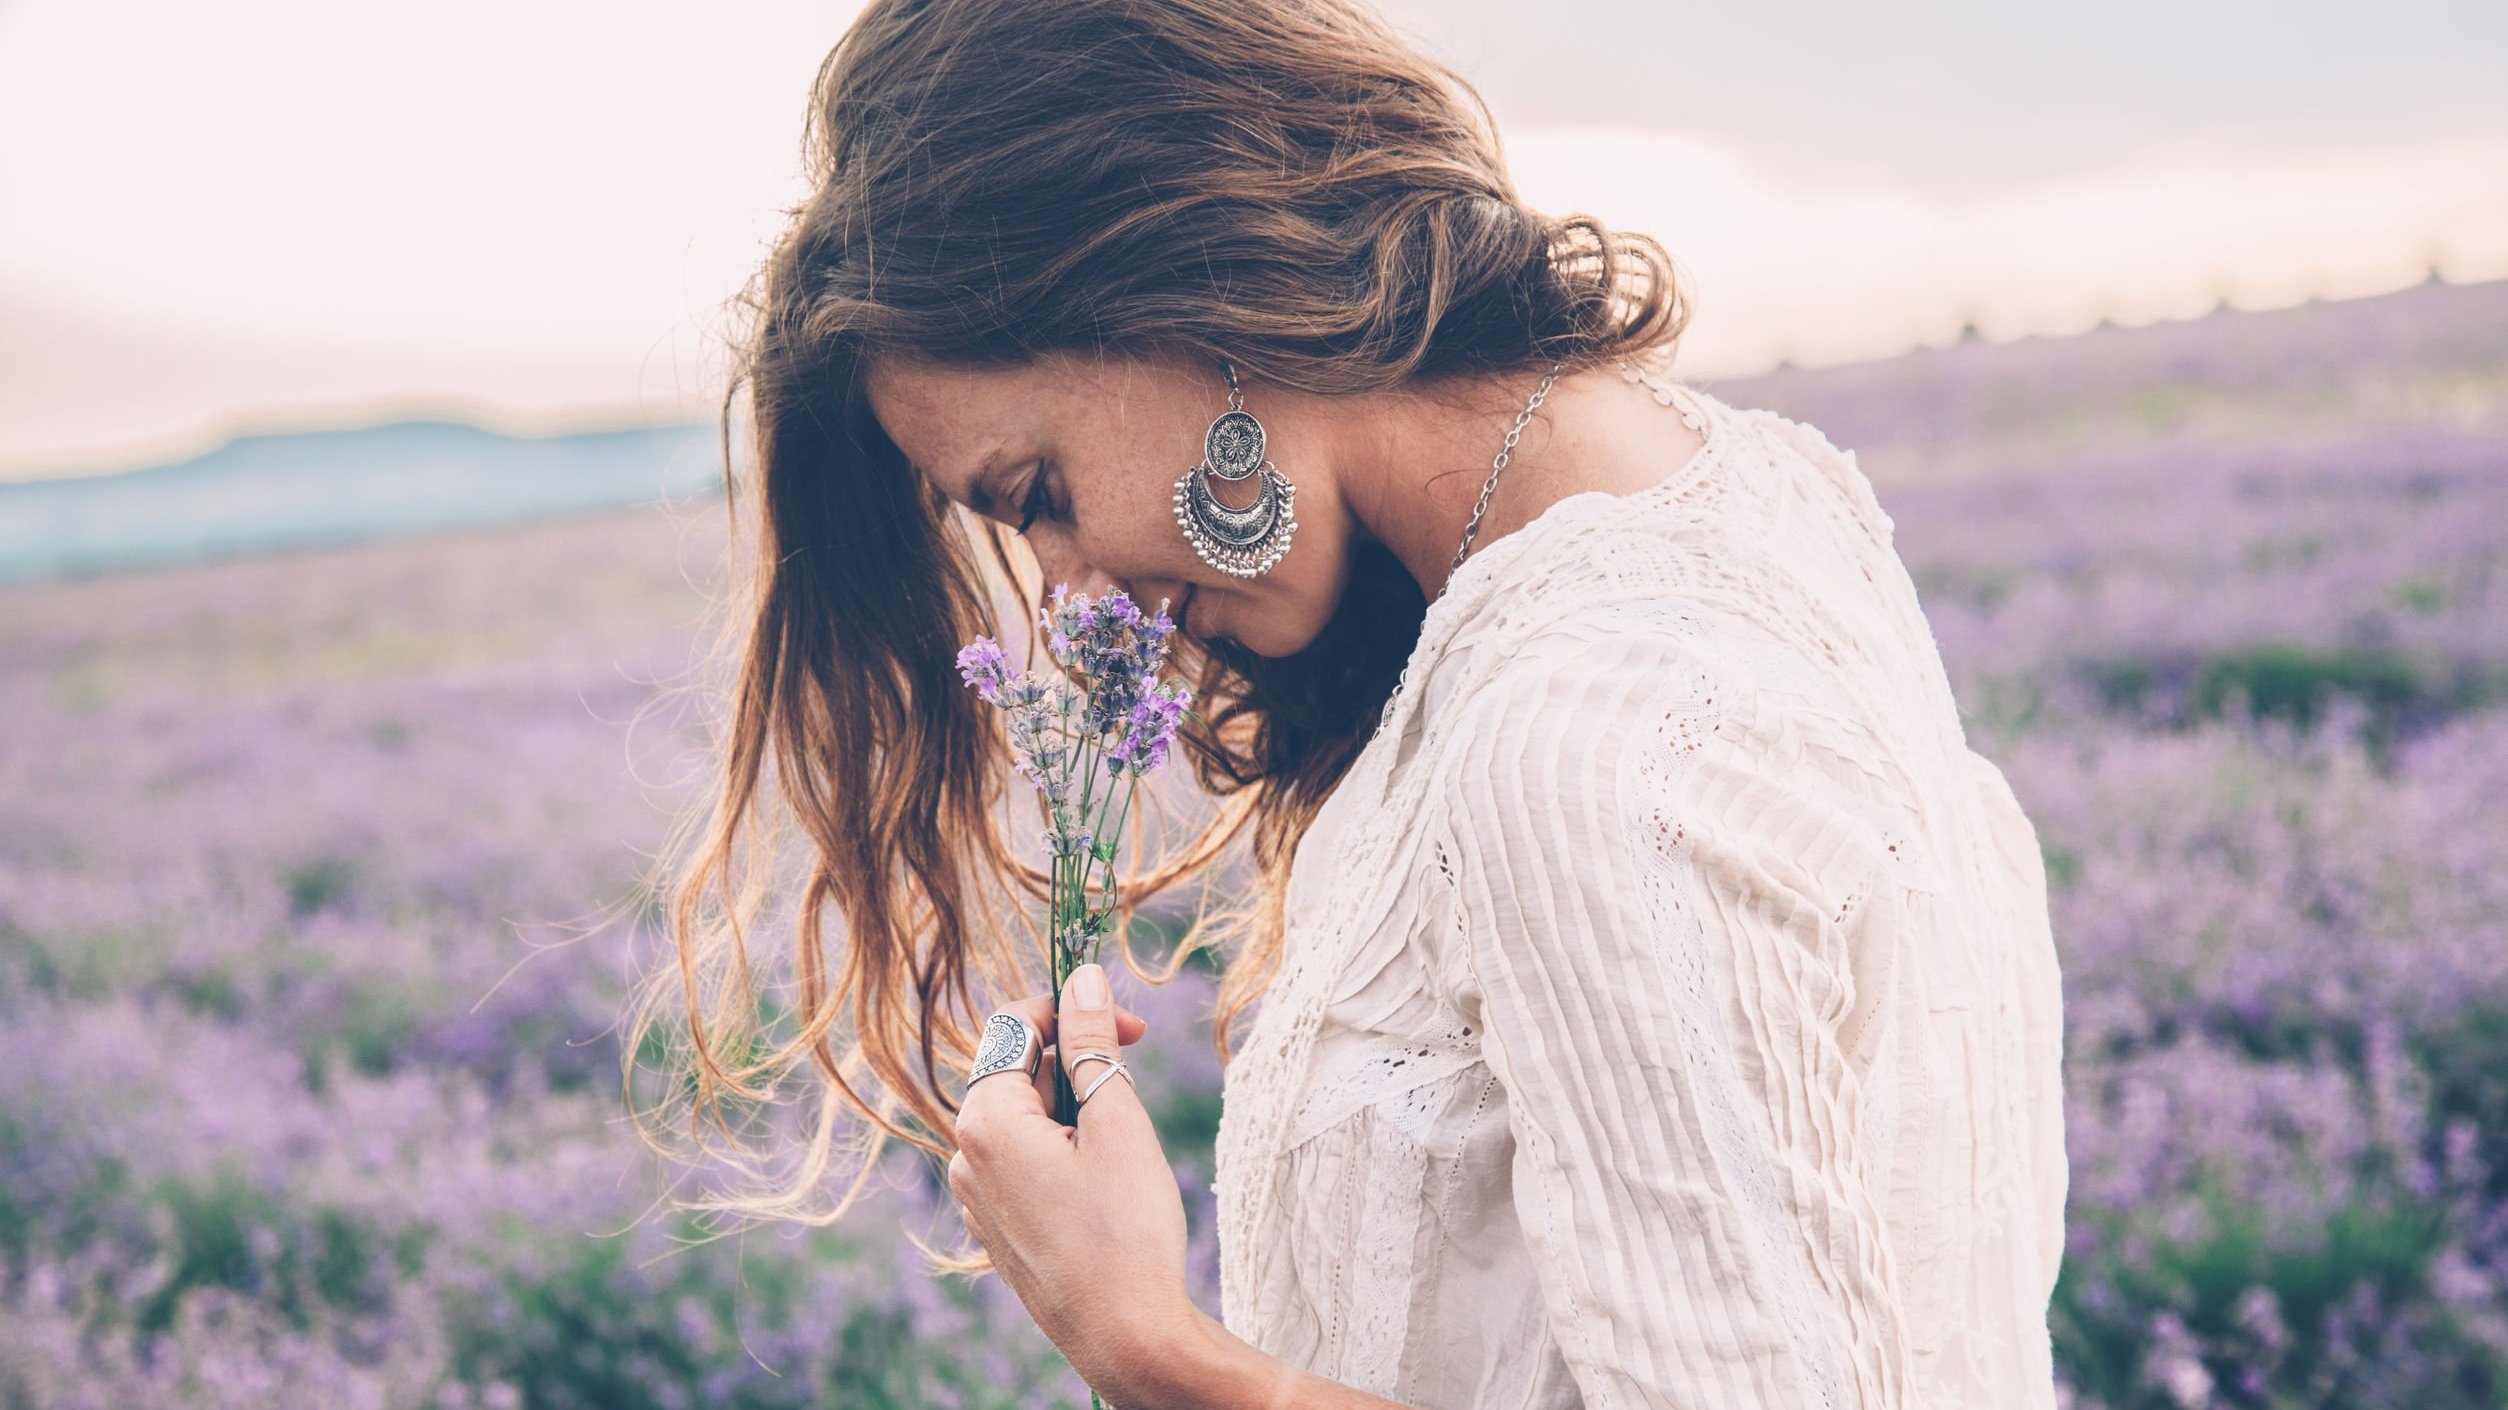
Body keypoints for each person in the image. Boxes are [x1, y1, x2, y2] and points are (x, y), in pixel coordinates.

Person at [626, 0, 2070, 1406]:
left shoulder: (1580, 735)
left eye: (1040, 494)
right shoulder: (1758, 489)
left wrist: (1152, 1349)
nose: (1071, 600)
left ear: (1181, 287)